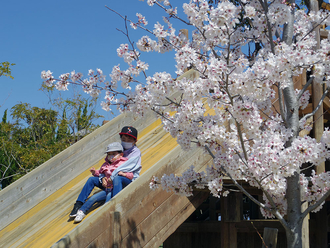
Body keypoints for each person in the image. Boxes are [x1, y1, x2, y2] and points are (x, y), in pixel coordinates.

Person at [70, 126, 142, 222]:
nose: (126, 141)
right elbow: (106, 169)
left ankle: (116, 201)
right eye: (124, 139)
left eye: (129, 139)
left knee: (117, 178)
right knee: (91, 180)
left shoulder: (135, 152)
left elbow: (127, 168)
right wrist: (102, 177)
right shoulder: (117, 149)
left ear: (135, 141)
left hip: (126, 180)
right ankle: (78, 204)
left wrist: (113, 177)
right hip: (109, 183)